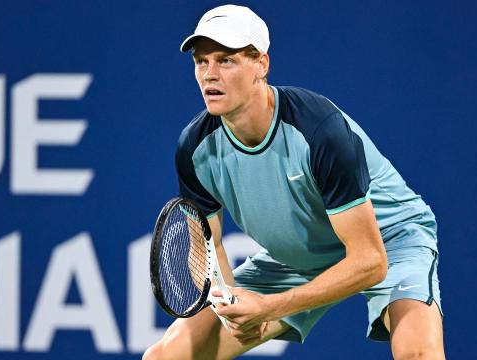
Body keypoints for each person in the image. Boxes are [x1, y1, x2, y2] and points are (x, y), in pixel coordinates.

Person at [144, 4, 444, 360]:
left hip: (388, 240)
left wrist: (270, 307)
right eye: (201, 61)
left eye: (226, 61)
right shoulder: (195, 149)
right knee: (166, 357)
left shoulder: (319, 131)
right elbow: (211, 248)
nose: (210, 74)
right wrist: (233, 305)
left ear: (261, 65)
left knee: (418, 354)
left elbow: (370, 261)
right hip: (299, 255)